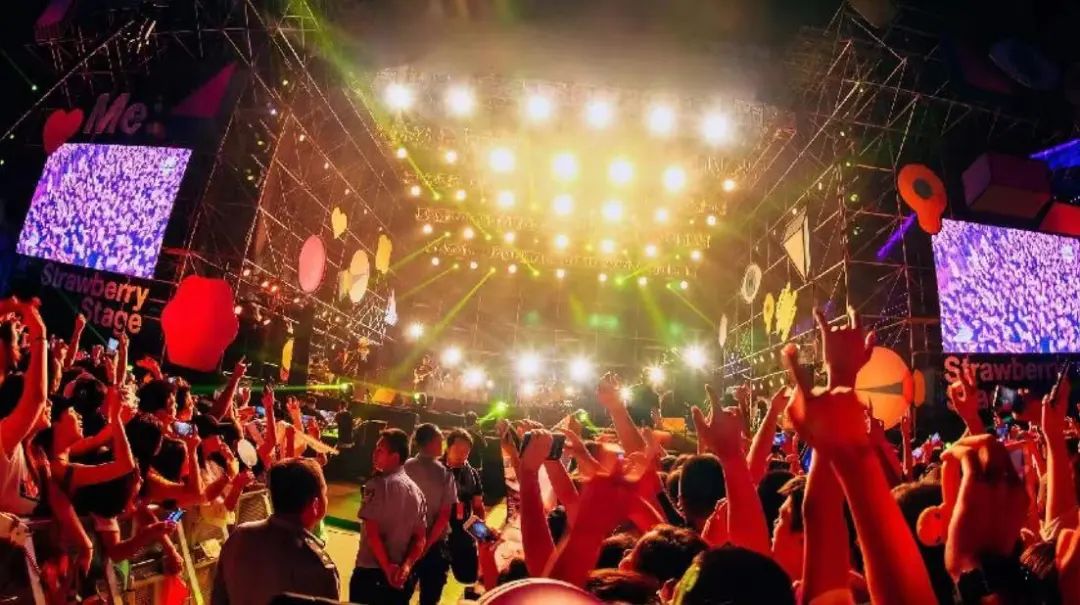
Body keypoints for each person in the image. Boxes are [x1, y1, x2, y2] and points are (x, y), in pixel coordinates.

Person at [212, 458, 337, 605]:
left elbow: (218, 598)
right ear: (315, 505)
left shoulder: (239, 537)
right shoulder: (318, 565)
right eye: (324, 493)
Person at [351, 428, 427, 605]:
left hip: (371, 576)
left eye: (380, 450)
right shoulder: (418, 493)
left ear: (395, 456)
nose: (374, 453)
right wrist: (406, 567)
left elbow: (372, 532)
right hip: (400, 579)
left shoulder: (377, 485)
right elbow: (420, 539)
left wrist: (387, 568)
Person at [403, 423, 458, 605]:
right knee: (430, 598)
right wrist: (425, 545)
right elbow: (444, 515)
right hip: (434, 546)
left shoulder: (405, 467)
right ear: (431, 442)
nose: (443, 443)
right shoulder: (445, 474)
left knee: (399, 594)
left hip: (405, 543)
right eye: (440, 439)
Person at [443, 428, 485, 589]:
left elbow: (478, 507)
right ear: (448, 448)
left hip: (464, 533)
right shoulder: (434, 471)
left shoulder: (472, 474)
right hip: (438, 536)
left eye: (466, 451)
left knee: (469, 577)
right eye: (459, 450)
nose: (463, 455)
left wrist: (483, 536)